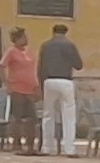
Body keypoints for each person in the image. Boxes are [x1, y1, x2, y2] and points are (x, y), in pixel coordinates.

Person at [35, 24, 82, 156]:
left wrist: (40, 85)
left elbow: (40, 67)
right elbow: (79, 65)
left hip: (48, 81)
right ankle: (69, 149)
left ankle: (47, 148)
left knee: (48, 115)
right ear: (66, 32)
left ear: (53, 32)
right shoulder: (70, 45)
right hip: (65, 81)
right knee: (68, 116)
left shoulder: (45, 46)